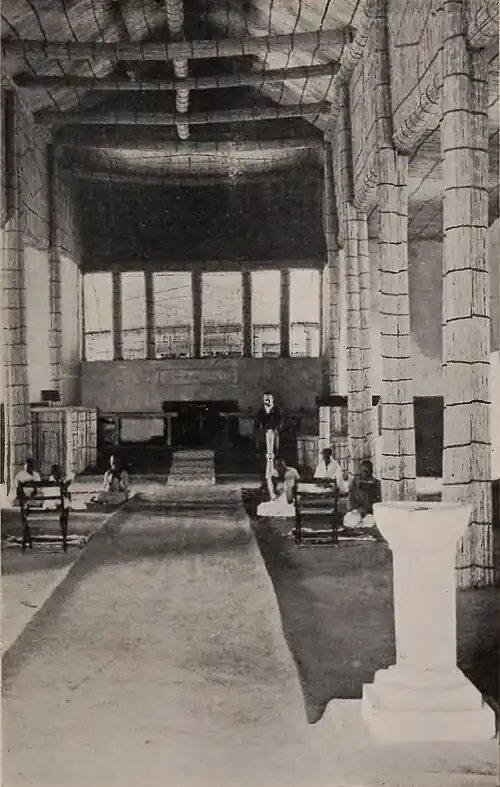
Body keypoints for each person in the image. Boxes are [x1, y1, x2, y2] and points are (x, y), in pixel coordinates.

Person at [344, 459, 381, 529]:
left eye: (367, 471)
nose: (365, 474)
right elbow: (350, 497)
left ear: (371, 471)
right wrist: (355, 509)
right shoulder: (355, 481)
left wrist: (368, 510)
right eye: (363, 471)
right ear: (360, 471)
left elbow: (377, 501)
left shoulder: (376, 483)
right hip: (356, 511)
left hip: (369, 512)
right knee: (351, 520)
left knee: (370, 522)